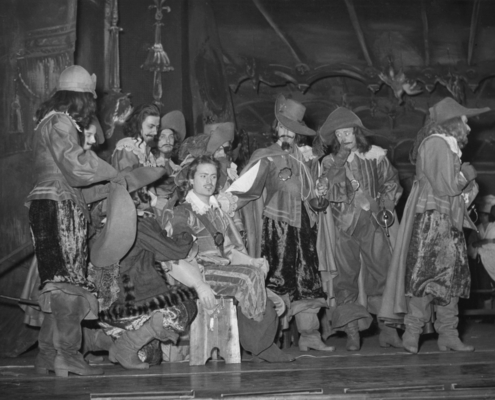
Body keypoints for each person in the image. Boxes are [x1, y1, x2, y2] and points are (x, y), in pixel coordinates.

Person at [25, 65, 121, 377]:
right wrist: (112, 171)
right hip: (58, 208)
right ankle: (67, 355)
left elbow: (72, 178)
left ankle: (49, 354)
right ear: (82, 100)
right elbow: (77, 169)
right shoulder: (61, 122)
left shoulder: (50, 122)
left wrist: (112, 188)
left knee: (60, 282)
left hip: (55, 203)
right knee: (68, 285)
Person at [379, 97, 489, 354]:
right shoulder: (437, 143)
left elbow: (453, 193)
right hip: (433, 221)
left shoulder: (445, 146)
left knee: (448, 281)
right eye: (464, 120)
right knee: (426, 279)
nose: (469, 127)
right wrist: (467, 176)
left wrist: (469, 187)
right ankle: (412, 334)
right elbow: (446, 186)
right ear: (452, 122)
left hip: (443, 220)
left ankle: (447, 335)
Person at [158, 155, 294, 362]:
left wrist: (251, 261)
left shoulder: (217, 211)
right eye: (203, 176)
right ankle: (259, 346)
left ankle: (258, 342)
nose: (209, 181)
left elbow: (228, 251)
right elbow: (174, 256)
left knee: (255, 272)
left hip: (221, 269)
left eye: (213, 176)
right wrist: (199, 285)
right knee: (248, 278)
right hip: (200, 273)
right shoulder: (182, 213)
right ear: (191, 180)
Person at [227, 95, 334, 352]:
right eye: (283, 127)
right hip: (276, 229)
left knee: (307, 279)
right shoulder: (266, 156)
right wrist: (225, 203)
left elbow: (311, 195)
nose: (286, 132)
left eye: (292, 129)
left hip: (304, 229)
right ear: (276, 128)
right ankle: (269, 338)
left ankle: (309, 335)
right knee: (276, 280)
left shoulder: (306, 161)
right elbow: (247, 189)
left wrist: (320, 191)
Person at [94, 167, 199, 370]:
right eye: (149, 189)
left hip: (109, 307)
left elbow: (155, 252)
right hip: (130, 303)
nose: (152, 193)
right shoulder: (139, 224)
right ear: (139, 194)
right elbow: (176, 251)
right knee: (185, 306)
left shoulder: (109, 222)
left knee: (151, 357)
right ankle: (126, 345)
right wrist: (181, 227)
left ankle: (111, 343)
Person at [318, 107, 403, 351]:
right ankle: (352, 331)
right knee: (346, 279)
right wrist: (341, 159)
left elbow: (391, 183)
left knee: (383, 273)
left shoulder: (375, 156)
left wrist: (384, 206)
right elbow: (330, 188)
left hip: (374, 222)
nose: (345, 137)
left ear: (357, 134)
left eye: (349, 132)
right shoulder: (329, 162)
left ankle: (388, 330)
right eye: (340, 134)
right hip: (343, 225)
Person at [150, 110, 186, 211]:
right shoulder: (150, 163)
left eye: (171, 137)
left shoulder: (175, 167)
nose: (168, 140)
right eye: (163, 137)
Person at [111, 103, 161, 170]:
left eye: (157, 127)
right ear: (138, 124)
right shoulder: (127, 148)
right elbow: (128, 179)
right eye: (150, 126)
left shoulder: (147, 152)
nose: (155, 132)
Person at [467, 195, 495, 308]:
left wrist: (484, 242)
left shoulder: (494, 227)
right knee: (484, 286)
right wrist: (483, 243)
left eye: (485, 215)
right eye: (481, 215)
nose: (483, 217)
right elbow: (472, 243)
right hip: (481, 260)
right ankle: (487, 314)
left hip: (493, 259)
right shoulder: (477, 228)